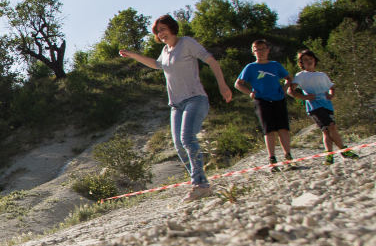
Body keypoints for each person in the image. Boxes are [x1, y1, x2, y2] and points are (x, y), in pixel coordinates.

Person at [119, 14, 233, 202]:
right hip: (176, 105)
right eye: (157, 31)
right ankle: (199, 181)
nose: (161, 33)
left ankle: (200, 185)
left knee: (187, 138)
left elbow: (211, 60)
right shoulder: (165, 51)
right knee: (179, 146)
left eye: (163, 29)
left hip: (195, 99)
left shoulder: (186, 43)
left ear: (172, 28)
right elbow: (157, 65)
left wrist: (222, 85)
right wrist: (133, 55)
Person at [234, 39, 296, 172]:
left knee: (283, 128)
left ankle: (288, 156)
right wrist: (250, 93)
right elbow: (238, 83)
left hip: (278, 99)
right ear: (253, 52)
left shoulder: (275, 65)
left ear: (268, 50)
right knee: (269, 130)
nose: (260, 52)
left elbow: (289, 78)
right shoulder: (250, 67)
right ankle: (272, 159)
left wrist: (284, 88)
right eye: (257, 50)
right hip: (262, 100)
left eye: (262, 49)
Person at [290, 48, 360, 165]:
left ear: (315, 60)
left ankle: (330, 155)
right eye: (305, 60)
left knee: (327, 130)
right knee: (330, 126)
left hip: (327, 105)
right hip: (315, 107)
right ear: (301, 63)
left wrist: (331, 95)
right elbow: (290, 91)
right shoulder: (301, 75)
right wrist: (305, 98)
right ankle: (343, 150)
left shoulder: (322, 75)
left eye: (310, 59)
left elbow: (332, 87)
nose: (309, 61)